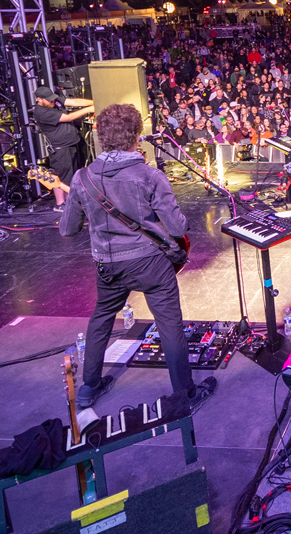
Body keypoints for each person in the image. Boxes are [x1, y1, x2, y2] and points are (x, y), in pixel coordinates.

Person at [59, 103, 216, 411]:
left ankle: (89, 387)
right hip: (150, 264)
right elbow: (177, 226)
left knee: (102, 316)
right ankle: (185, 395)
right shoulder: (149, 175)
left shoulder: (82, 177)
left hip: (107, 264)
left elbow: (68, 229)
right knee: (169, 324)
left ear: (101, 137)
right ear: (136, 135)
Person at [31, 86, 95, 211]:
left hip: (71, 143)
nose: (52, 102)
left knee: (71, 174)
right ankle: (60, 204)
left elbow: (73, 102)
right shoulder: (40, 112)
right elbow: (68, 117)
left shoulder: (53, 100)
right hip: (60, 148)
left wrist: (94, 102)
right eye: (49, 100)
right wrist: (90, 109)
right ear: (39, 100)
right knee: (61, 174)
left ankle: (70, 201)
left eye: (53, 99)